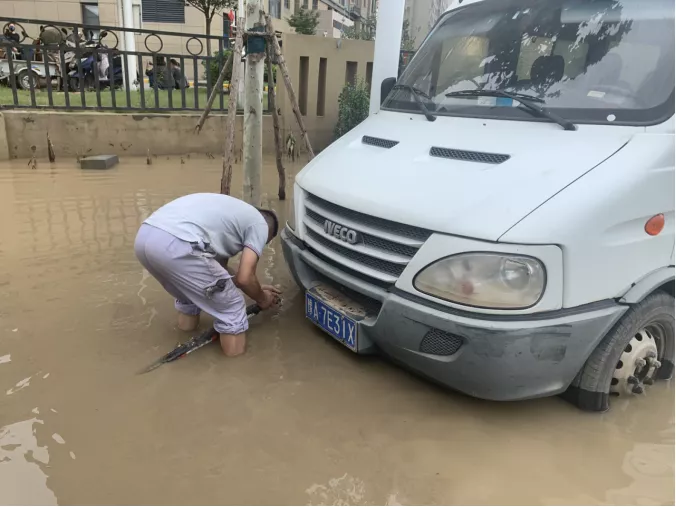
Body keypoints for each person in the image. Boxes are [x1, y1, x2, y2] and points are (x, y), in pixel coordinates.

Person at [134, 193, 281, 357]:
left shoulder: (229, 218)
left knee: (190, 296)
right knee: (232, 307)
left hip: (145, 237)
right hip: (178, 243)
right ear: (268, 235)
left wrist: (257, 288)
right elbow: (244, 278)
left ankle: (184, 338)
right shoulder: (260, 225)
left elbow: (221, 273)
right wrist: (263, 299)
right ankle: (235, 372)